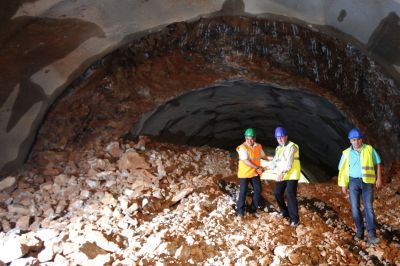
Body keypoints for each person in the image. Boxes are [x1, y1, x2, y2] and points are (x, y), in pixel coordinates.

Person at [338, 128, 382, 245]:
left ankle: (372, 234)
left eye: (358, 139)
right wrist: (343, 184)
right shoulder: (346, 153)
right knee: (355, 208)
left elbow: (377, 163)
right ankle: (359, 232)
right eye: (353, 140)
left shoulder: (369, 149)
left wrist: (379, 178)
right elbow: (342, 170)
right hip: (353, 182)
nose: (356, 142)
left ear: (361, 139)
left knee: (368, 207)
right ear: (350, 141)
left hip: (367, 182)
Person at [270, 126, 301, 226]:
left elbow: (289, 162)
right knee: (277, 193)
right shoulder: (278, 148)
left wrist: (282, 173)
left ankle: (295, 219)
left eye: (282, 137)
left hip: (291, 174)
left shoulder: (292, 146)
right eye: (278, 138)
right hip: (283, 174)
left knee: (290, 193)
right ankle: (284, 212)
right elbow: (275, 161)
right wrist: (264, 168)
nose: (280, 139)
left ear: (286, 136)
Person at [236, 128, 268, 219]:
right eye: (247, 138)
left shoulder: (258, 146)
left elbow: (264, 156)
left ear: (254, 138)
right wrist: (258, 167)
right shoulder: (242, 147)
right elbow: (246, 161)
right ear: (245, 138)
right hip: (245, 174)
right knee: (243, 192)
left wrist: (275, 158)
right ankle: (240, 213)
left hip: (254, 173)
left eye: (251, 138)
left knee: (258, 190)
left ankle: (252, 210)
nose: (249, 140)